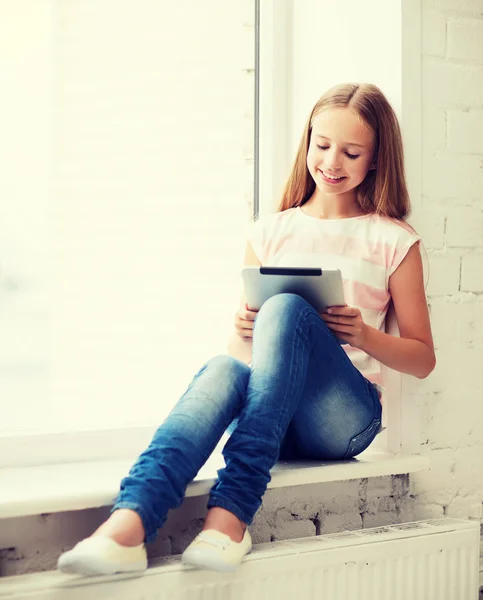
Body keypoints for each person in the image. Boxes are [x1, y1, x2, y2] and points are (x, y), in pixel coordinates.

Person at [57, 82, 435, 576]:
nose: (332, 162)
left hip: (341, 422)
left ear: (376, 159)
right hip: (270, 421)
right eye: (321, 145)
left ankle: (232, 514)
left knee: (286, 310)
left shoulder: (393, 240)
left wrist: (363, 335)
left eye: (351, 151)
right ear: (307, 144)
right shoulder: (270, 232)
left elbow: (423, 358)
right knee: (221, 367)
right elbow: (243, 354)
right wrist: (242, 328)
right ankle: (126, 526)